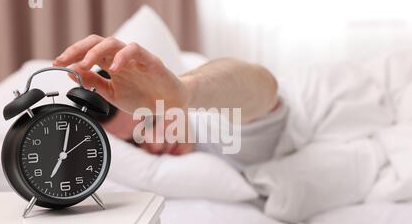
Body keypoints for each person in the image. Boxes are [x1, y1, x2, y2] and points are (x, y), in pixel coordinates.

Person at [53, 34, 287, 169]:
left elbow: (263, 88)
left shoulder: (215, 123)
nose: (155, 145)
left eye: (151, 122)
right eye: (136, 143)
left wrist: (185, 92)